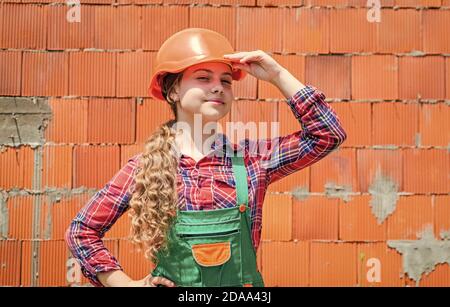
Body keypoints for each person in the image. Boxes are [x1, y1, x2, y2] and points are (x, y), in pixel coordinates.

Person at [65, 28, 347, 287]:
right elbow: (82, 231)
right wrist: (125, 285)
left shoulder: (252, 161)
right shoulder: (144, 168)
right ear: (173, 90)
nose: (218, 87)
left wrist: (277, 74)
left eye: (226, 81)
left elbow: (327, 135)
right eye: (203, 78)